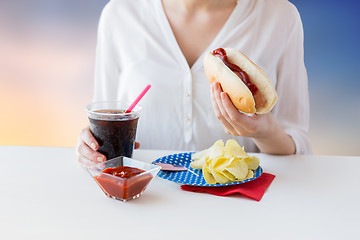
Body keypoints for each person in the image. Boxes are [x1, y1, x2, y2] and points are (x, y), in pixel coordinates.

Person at [76, 0, 312, 167]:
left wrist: (264, 132)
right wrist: (92, 147)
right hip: (145, 199)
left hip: (239, 206)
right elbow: (105, 117)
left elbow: (297, 143)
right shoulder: (120, 14)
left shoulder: (280, 16)